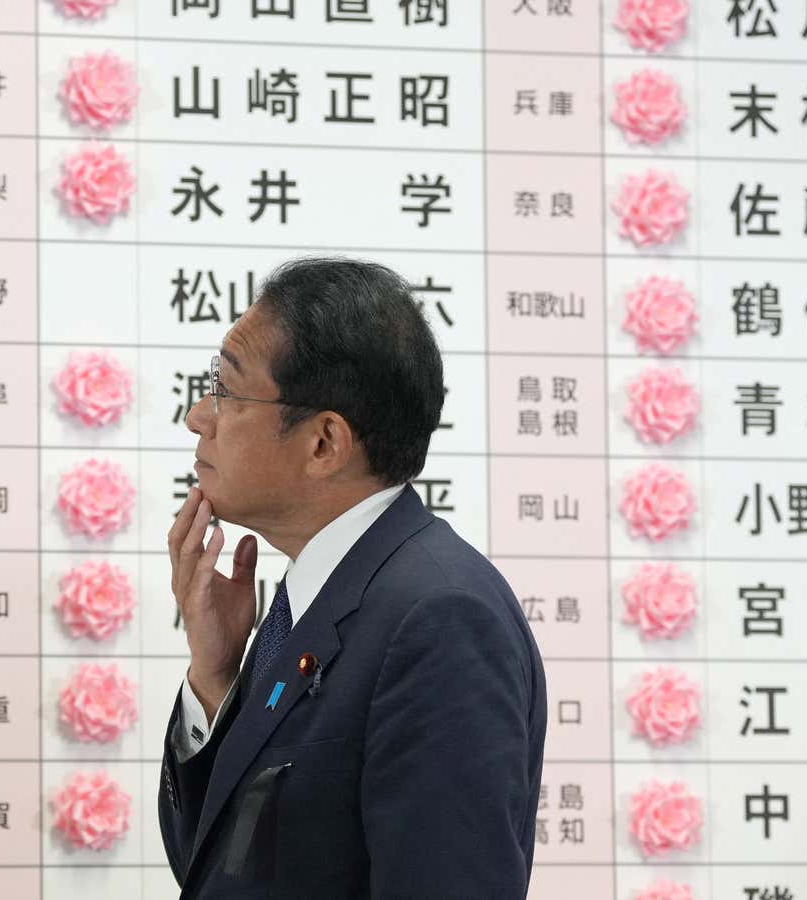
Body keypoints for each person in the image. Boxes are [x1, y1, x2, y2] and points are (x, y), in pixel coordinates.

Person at [158, 256, 547, 898]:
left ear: (324, 443)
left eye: (226, 390)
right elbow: (216, 866)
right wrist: (216, 677)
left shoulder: (439, 616)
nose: (200, 416)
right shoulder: (319, 597)